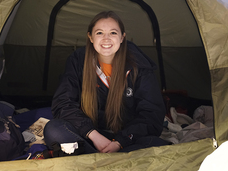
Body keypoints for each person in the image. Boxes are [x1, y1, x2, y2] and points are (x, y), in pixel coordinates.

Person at [44, 11, 168, 154]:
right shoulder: (78, 61)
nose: (106, 39)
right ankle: (111, 161)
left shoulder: (139, 65)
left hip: (128, 138)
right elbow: (63, 103)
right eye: (100, 33)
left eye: (113, 33)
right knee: (54, 130)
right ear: (90, 37)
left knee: (158, 145)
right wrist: (93, 135)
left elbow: (152, 114)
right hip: (91, 137)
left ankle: (94, 160)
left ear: (122, 38)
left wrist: (120, 142)